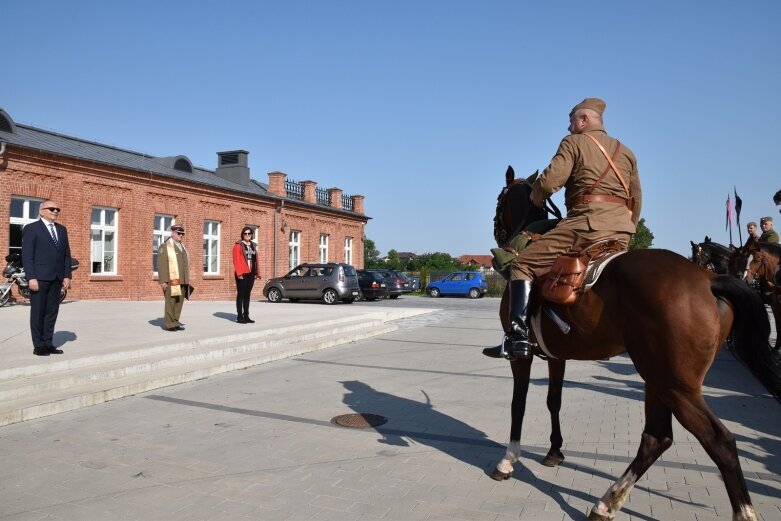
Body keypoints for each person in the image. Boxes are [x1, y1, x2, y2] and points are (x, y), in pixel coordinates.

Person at [484, 98, 642, 360]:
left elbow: (548, 184)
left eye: (571, 122)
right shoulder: (627, 152)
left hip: (586, 225)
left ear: (583, 120)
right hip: (622, 232)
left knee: (522, 264)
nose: (568, 129)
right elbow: (635, 199)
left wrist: (535, 195)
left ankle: (516, 337)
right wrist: (626, 230)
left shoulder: (574, 143)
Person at [22, 200, 72, 356]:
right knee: (38, 312)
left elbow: (66, 255)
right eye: (52, 208)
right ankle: (38, 345)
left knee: (52, 312)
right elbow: (27, 255)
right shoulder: (32, 229)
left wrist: (67, 275)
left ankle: (48, 343)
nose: (55, 211)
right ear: (42, 211)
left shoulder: (62, 230)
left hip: (57, 278)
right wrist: (31, 277)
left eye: (58, 209)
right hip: (39, 278)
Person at [158, 224, 190, 331]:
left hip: (182, 280)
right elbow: (161, 265)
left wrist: (186, 279)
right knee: (171, 301)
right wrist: (163, 281)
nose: (181, 235)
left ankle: (175, 321)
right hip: (171, 280)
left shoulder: (182, 246)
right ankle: (169, 323)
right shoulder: (165, 246)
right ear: (172, 233)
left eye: (182, 233)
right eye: (178, 233)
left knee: (179, 302)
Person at [232, 226, 261, 323]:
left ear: (251, 234)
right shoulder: (238, 245)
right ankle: (240, 316)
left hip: (251, 273)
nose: (247, 235)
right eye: (245, 233)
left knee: (247, 295)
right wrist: (239, 273)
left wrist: (257, 272)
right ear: (242, 234)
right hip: (242, 273)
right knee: (241, 294)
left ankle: (246, 316)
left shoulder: (253, 245)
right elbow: (236, 260)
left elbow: (255, 260)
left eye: (249, 233)